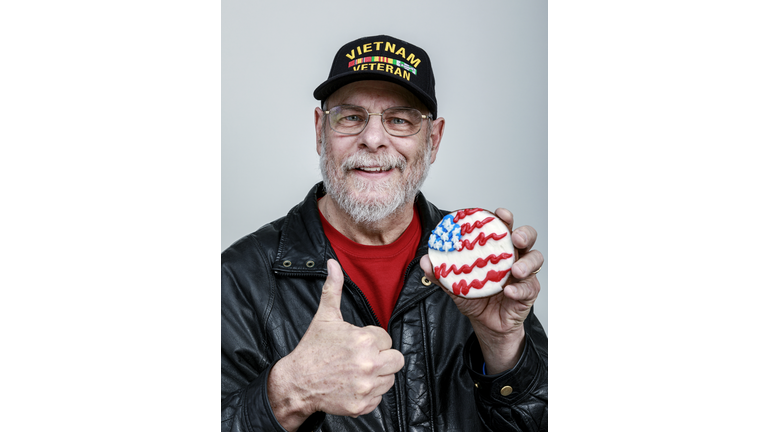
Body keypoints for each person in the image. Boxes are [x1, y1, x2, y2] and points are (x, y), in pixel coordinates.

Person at [221, 35, 547, 432]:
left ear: (434, 139)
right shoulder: (239, 278)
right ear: (321, 130)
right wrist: (291, 393)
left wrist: (503, 347)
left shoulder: (477, 268)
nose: (373, 139)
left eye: (399, 119)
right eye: (351, 117)